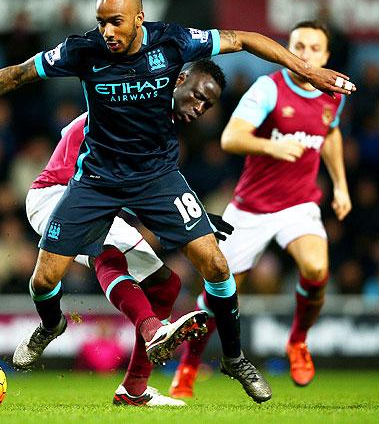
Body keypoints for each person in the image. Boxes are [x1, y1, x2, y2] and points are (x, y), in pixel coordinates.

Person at [0, 0, 354, 404]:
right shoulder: (84, 51)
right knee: (43, 280)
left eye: (115, 22)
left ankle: (234, 359)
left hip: (157, 178)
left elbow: (247, 38)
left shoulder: (174, 42)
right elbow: (19, 74)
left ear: (140, 18)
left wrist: (308, 72)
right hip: (96, 180)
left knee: (216, 264)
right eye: (101, 22)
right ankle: (52, 323)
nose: (107, 32)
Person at [27, 60, 230, 406]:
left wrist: (189, 214)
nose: (198, 110)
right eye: (196, 97)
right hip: (56, 194)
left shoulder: (154, 122)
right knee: (105, 252)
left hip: (100, 198)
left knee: (166, 285)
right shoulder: (131, 111)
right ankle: (151, 329)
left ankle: (134, 389)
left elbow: (136, 185)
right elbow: (110, 177)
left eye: (206, 105)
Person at [170, 20, 352, 397]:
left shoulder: (333, 92)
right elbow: (231, 137)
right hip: (250, 208)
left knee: (317, 268)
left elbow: (330, 132)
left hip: (299, 203)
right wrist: (273, 146)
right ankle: (189, 365)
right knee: (218, 294)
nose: (305, 54)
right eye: (298, 45)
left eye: (314, 48)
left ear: (326, 55)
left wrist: (340, 185)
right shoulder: (269, 88)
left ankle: (298, 342)